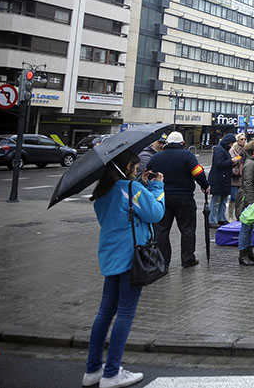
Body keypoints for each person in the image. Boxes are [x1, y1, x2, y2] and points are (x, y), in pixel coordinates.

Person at [83, 152, 164, 388]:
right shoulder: (130, 189)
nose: (138, 171)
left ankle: (93, 370)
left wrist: (139, 186)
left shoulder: (103, 192)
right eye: (136, 168)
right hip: (132, 258)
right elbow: (155, 213)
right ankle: (111, 373)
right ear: (126, 167)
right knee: (125, 314)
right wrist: (157, 187)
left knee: (105, 313)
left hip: (110, 257)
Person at [149, 131, 208, 269]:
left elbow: (148, 175)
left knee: (162, 230)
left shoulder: (156, 157)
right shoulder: (188, 156)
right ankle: (188, 259)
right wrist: (205, 186)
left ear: (167, 143)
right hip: (184, 198)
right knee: (187, 229)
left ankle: (163, 261)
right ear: (182, 143)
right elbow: (198, 173)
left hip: (162, 199)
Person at [208, 133, 237, 227]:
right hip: (219, 179)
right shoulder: (219, 149)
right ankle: (212, 220)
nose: (232, 145)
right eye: (231, 143)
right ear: (228, 142)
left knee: (223, 201)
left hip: (223, 179)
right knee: (216, 201)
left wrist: (233, 162)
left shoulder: (223, 149)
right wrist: (232, 161)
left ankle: (221, 218)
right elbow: (219, 163)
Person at [228, 133, 247, 221]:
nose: (243, 141)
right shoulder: (233, 149)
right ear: (237, 140)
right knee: (233, 198)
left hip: (244, 176)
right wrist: (240, 157)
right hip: (234, 176)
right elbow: (231, 161)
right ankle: (230, 216)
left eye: (244, 139)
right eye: (241, 139)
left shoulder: (247, 149)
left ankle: (239, 216)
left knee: (242, 199)